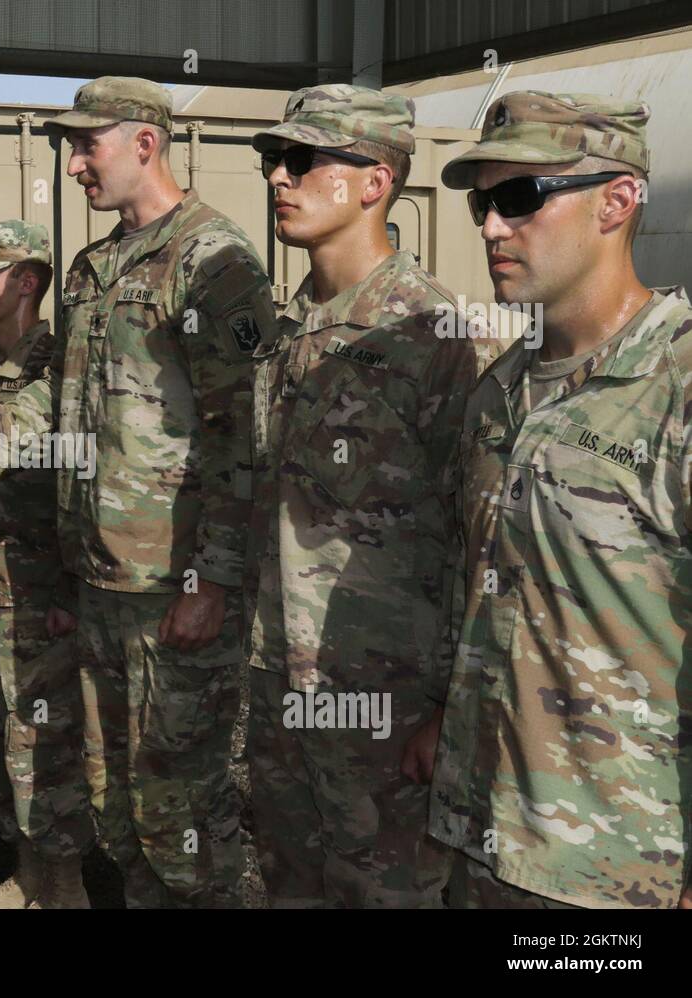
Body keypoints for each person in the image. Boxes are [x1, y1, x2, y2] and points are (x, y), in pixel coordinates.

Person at [0, 77, 276, 907]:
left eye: (87, 145)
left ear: (144, 142)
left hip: (174, 588)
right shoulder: (93, 269)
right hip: (97, 584)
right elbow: (61, 403)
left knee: (183, 811)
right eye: (70, 146)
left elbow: (245, 438)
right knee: (116, 805)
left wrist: (213, 580)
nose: (74, 165)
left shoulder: (214, 260)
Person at [415, 91, 692, 909]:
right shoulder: (500, 392)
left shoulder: (675, 389)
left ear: (617, 201)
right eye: (482, 203)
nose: (492, 227)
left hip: (622, 872)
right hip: (484, 840)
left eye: (521, 197)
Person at [245, 86, 485, 908]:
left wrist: (449, 704)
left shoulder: (430, 332)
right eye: (273, 161)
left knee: (382, 888)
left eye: (303, 160)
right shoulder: (289, 327)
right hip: (279, 669)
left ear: (374, 181)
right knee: (289, 874)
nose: (280, 177)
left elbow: (475, 531)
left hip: (380, 686)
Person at [0, 220, 94, 908]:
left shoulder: (57, 367)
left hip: (36, 590)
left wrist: (70, 584)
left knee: (43, 749)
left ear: (28, 281)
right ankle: (27, 877)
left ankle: (62, 890)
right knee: (0, 738)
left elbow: (82, 476)